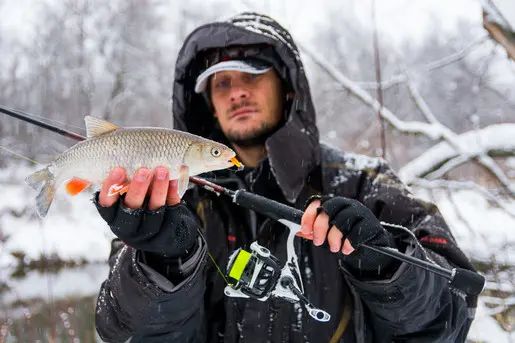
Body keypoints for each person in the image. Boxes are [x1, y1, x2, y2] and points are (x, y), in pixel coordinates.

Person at [92, 12, 479, 343]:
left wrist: (388, 266)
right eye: (221, 83)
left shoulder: (366, 183)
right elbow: (118, 331)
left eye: (252, 74)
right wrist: (161, 263)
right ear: (208, 103)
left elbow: (452, 319)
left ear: (288, 88)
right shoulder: (170, 199)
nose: (236, 93)